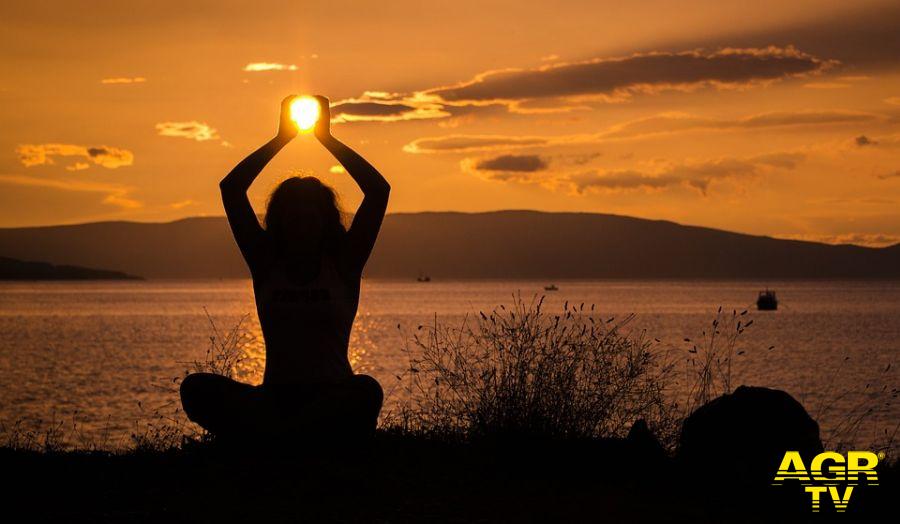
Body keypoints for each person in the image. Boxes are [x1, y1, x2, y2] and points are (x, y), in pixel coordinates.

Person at [179, 95, 388, 443]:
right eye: (293, 214)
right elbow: (231, 189)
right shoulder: (265, 263)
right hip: (274, 399)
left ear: (325, 221)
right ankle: (294, 437)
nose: (302, 222)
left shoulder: (344, 265)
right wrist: (281, 139)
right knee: (196, 388)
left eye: (311, 215)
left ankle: (277, 439)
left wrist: (326, 139)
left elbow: (378, 191)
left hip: (330, 396)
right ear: (279, 221)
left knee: (366, 391)